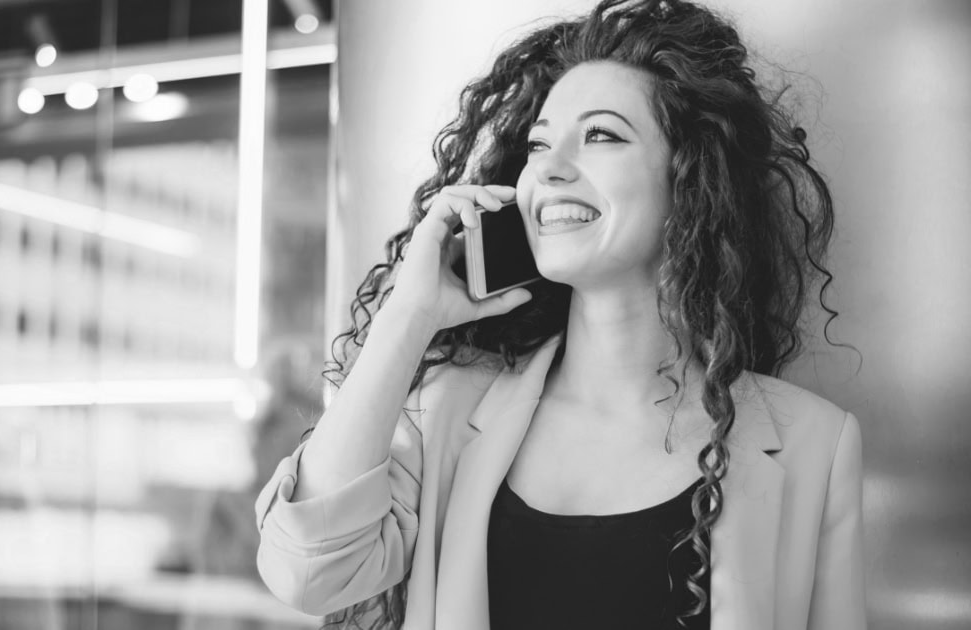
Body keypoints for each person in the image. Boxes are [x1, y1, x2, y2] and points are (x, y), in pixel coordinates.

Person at [254, 0, 865, 628]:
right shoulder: (447, 413)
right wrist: (409, 316)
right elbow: (307, 573)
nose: (546, 166)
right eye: (539, 143)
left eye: (600, 135)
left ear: (691, 181)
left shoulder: (814, 444)